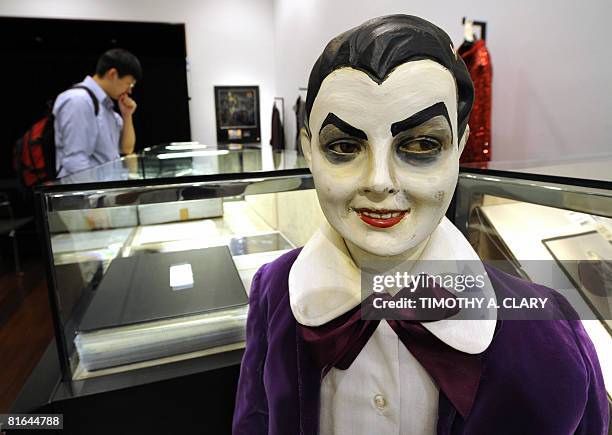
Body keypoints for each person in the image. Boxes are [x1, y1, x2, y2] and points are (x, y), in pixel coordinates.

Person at [232, 15, 609, 435]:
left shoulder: (551, 330)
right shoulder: (273, 291)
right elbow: (255, 419)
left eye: (422, 145)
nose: (379, 181)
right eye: (343, 146)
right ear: (308, 150)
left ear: (460, 148)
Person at [53, 48, 141, 177]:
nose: (129, 91)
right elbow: (75, 161)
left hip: (102, 193)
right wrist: (95, 196)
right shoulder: (79, 100)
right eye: (129, 84)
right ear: (113, 74)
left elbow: (126, 148)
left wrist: (127, 115)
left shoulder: (105, 106)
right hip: (85, 195)